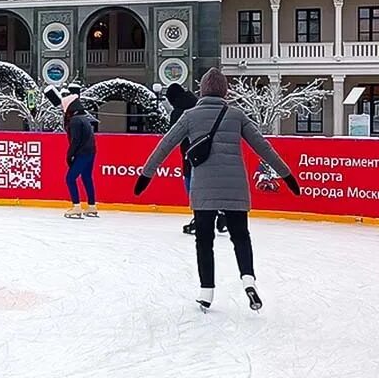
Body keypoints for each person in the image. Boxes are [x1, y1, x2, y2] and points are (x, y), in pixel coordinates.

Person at [135, 68, 301, 311]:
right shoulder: (236, 115)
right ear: (224, 91)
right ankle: (248, 281)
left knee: (204, 240)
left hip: (203, 188)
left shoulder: (190, 116)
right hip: (235, 187)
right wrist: (287, 175)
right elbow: (263, 147)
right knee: (241, 237)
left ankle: (207, 293)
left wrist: (146, 175)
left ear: (202, 90)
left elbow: (165, 145)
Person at [167, 83, 228, 236]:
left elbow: (173, 136)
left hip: (191, 154)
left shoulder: (179, 112)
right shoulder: (198, 104)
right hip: (210, 150)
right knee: (209, 185)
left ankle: (199, 218)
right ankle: (220, 213)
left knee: (192, 185)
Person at [62, 89, 98, 219]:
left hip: (82, 153)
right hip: (91, 151)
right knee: (86, 177)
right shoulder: (84, 118)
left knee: (70, 179)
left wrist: (70, 155)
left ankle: (76, 206)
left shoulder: (75, 121)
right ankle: (92, 206)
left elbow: (75, 140)